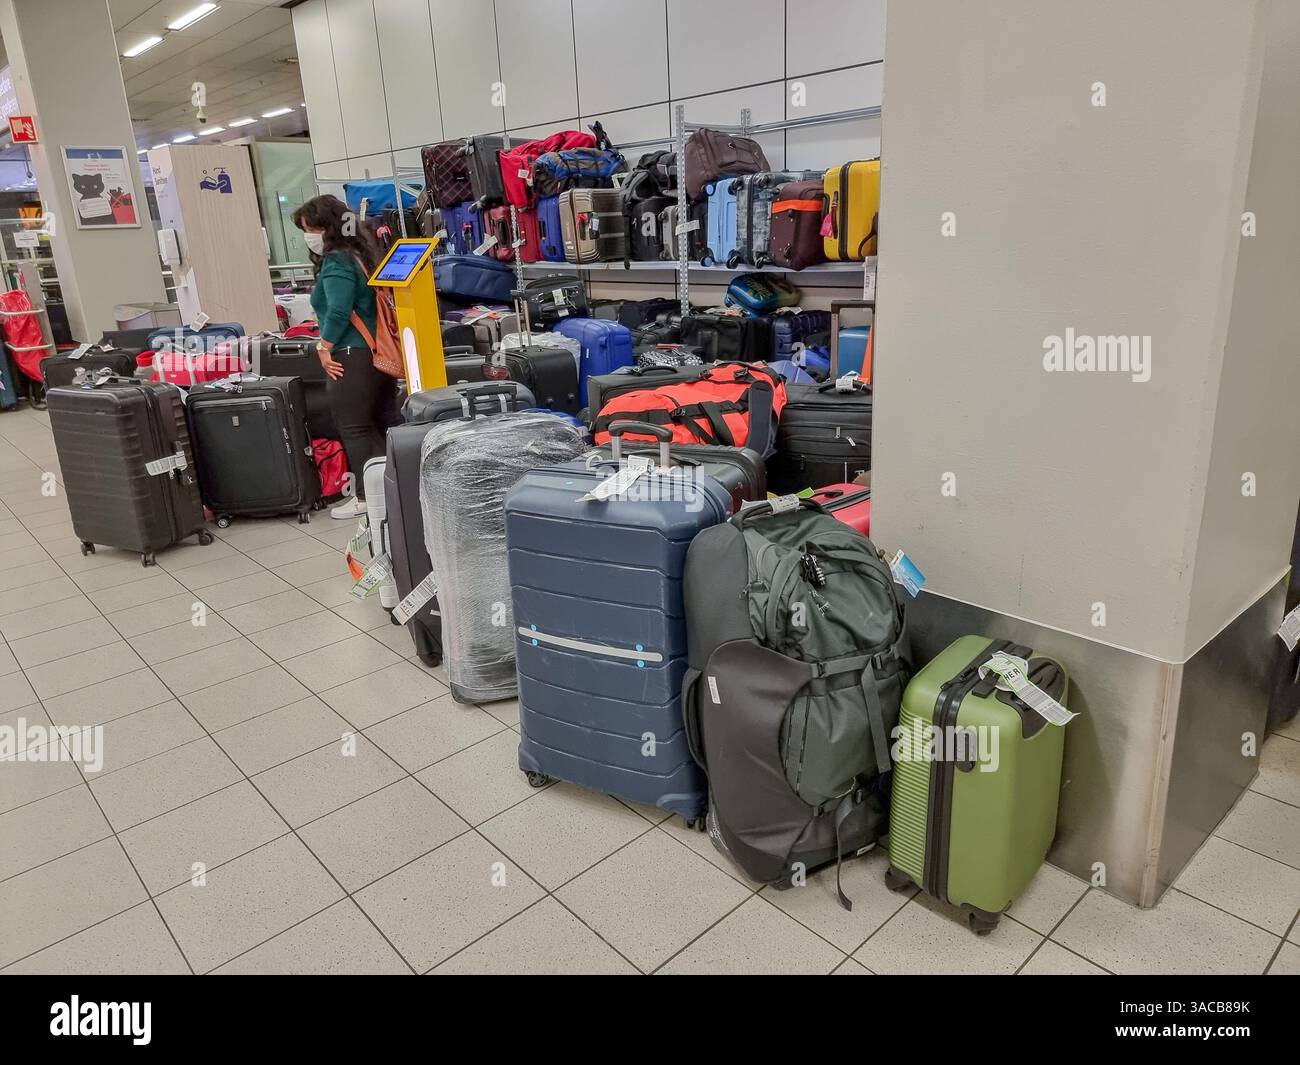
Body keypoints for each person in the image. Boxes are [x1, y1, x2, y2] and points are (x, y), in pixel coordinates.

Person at [292, 194, 399, 519]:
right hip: (377, 356)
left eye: (310, 229)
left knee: (353, 428)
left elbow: (339, 310)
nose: (307, 236)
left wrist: (323, 346)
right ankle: (397, 490)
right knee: (385, 425)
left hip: (350, 355)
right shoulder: (361, 255)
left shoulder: (337, 260)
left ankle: (367, 499)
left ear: (327, 228)